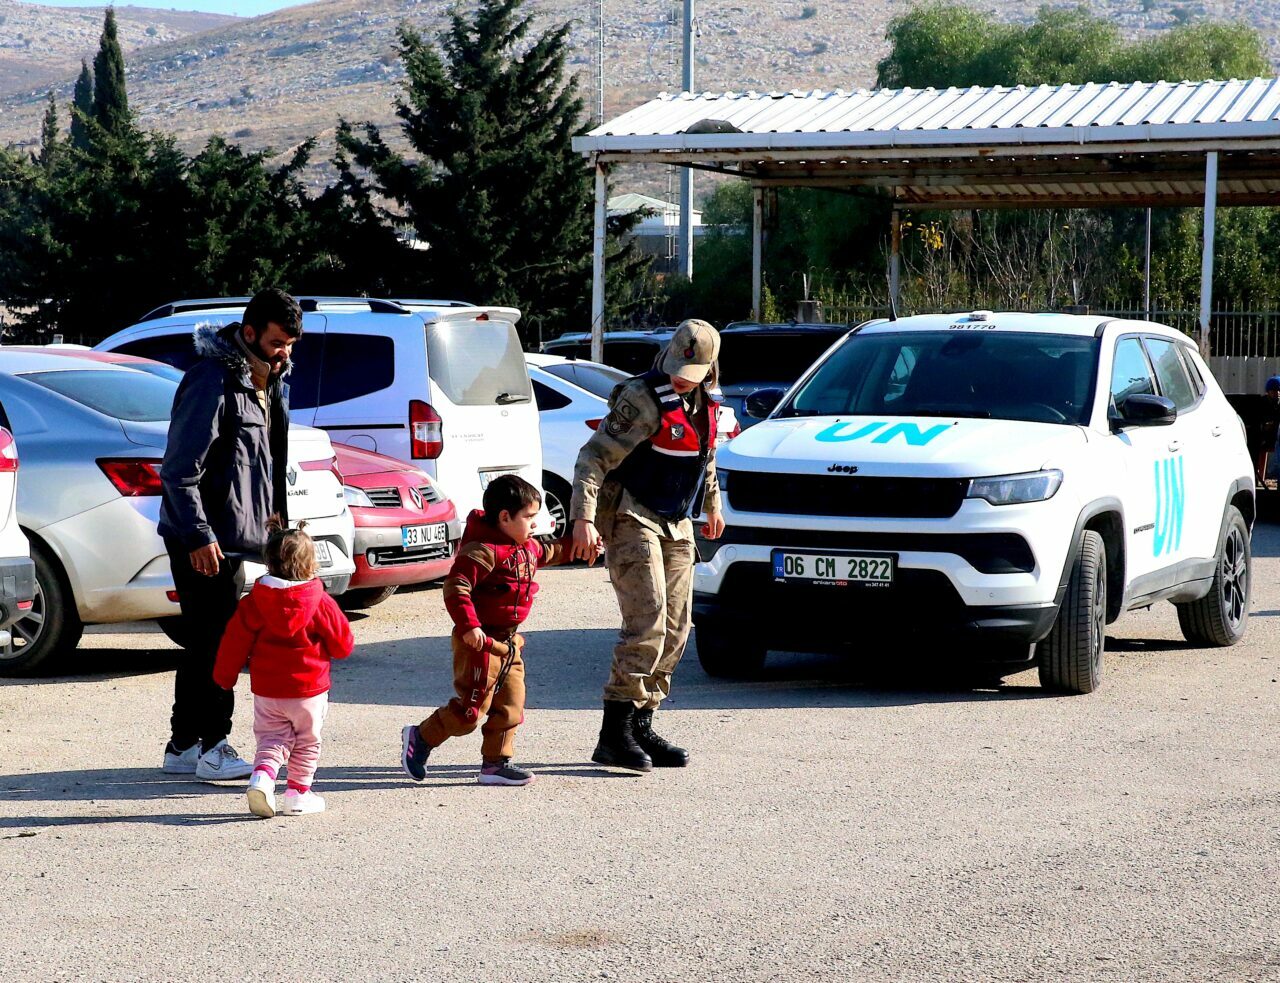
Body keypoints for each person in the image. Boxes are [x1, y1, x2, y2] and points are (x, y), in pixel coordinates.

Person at [157, 288, 303, 782]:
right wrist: (198, 536)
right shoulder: (211, 381)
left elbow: (268, 466)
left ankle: (182, 746)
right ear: (249, 334)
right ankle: (215, 745)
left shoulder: (268, 382)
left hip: (238, 538)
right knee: (220, 644)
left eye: (290, 344)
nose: (285, 352)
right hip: (201, 538)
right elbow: (178, 470)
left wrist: (277, 531)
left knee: (206, 641)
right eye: (278, 342)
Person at [569, 319, 724, 773]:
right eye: (678, 366)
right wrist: (581, 518)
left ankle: (642, 723)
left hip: (676, 521)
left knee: (677, 628)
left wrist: (713, 505)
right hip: (631, 514)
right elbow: (592, 458)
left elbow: (705, 456)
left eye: (692, 372)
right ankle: (613, 734)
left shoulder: (707, 403)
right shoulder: (641, 398)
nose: (682, 377)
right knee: (648, 620)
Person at [400, 475, 584, 786]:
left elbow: (553, 551)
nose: (534, 524)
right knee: (470, 712)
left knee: (511, 705)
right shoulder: (482, 550)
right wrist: (469, 626)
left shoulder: (526, 547)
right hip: (479, 642)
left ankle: (495, 764)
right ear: (504, 517)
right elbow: (456, 587)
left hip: (509, 643)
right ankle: (421, 737)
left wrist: (581, 546)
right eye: (528, 517)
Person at [213, 520, 353, 817]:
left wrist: (224, 678)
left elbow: (233, 644)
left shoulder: (254, 602)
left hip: (268, 689)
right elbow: (343, 645)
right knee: (306, 741)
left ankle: (262, 778)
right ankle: (298, 793)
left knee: (271, 739)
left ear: (268, 562)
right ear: (311, 563)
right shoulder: (320, 602)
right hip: (309, 690)